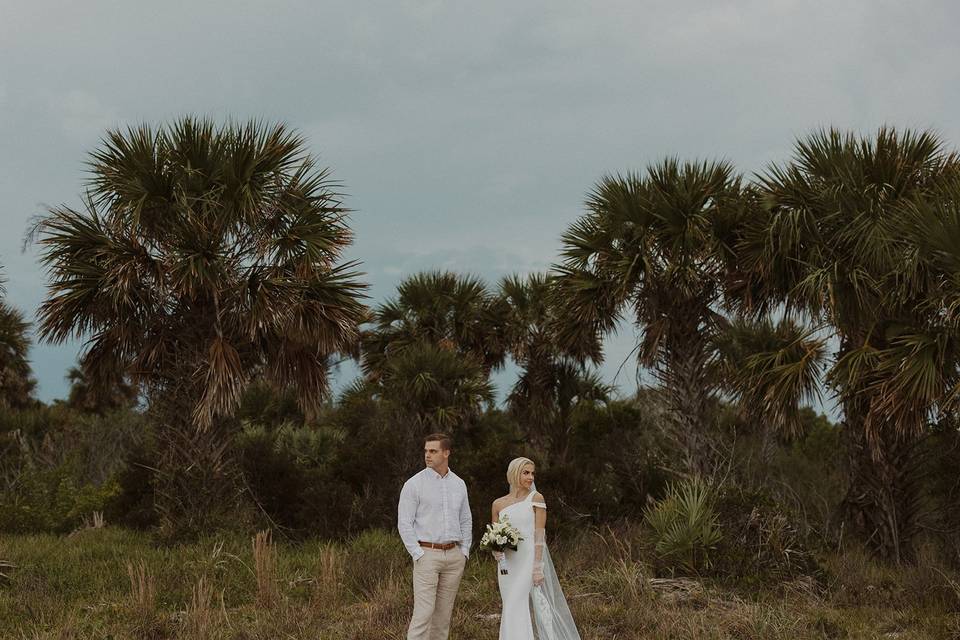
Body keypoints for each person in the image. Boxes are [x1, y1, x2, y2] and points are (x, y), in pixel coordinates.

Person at [491, 457, 581, 640]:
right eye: (526, 473)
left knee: (518, 603)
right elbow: (494, 534)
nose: (531, 477)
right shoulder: (498, 504)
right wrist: (496, 551)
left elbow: (540, 535)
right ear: (514, 474)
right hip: (507, 565)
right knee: (510, 606)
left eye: (532, 473)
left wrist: (537, 567)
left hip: (528, 561)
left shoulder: (536, 498)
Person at [398, 433, 472, 640]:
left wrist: (464, 551)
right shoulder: (414, 484)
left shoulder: (459, 484)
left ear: (446, 453)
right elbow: (404, 523)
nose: (427, 455)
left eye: (433, 451)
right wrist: (417, 554)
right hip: (427, 555)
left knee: (443, 617)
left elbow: (466, 519)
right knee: (423, 614)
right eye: (426, 451)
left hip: (454, 556)